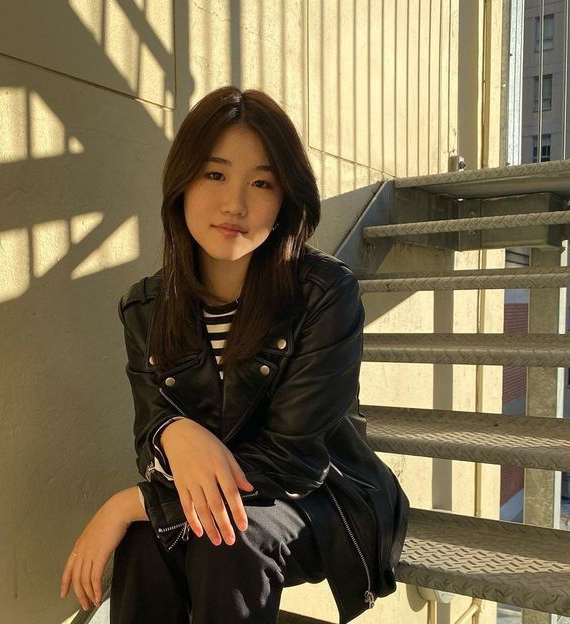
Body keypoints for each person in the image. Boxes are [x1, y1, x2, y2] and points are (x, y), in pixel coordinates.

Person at [60, 87, 409, 624]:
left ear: (285, 198)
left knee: (221, 537)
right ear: (182, 184)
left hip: (322, 497)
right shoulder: (147, 307)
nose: (235, 205)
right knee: (146, 543)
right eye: (215, 175)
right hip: (227, 505)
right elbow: (150, 436)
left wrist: (128, 503)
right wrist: (170, 433)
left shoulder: (324, 293)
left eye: (262, 183)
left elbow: (293, 460)